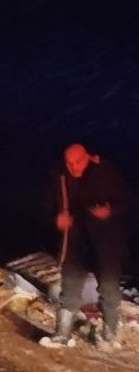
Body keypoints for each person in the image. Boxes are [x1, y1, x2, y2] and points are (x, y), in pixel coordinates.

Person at [44, 144, 131, 348]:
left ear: (87, 157)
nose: (74, 167)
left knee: (109, 288)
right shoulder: (60, 177)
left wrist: (110, 211)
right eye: (69, 163)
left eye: (78, 162)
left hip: (106, 242)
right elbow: (46, 205)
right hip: (75, 240)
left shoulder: (106, 173)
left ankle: (108, 334)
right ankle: (62, 333)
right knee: (70, 287)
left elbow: (128, 202)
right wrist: (56, 219)